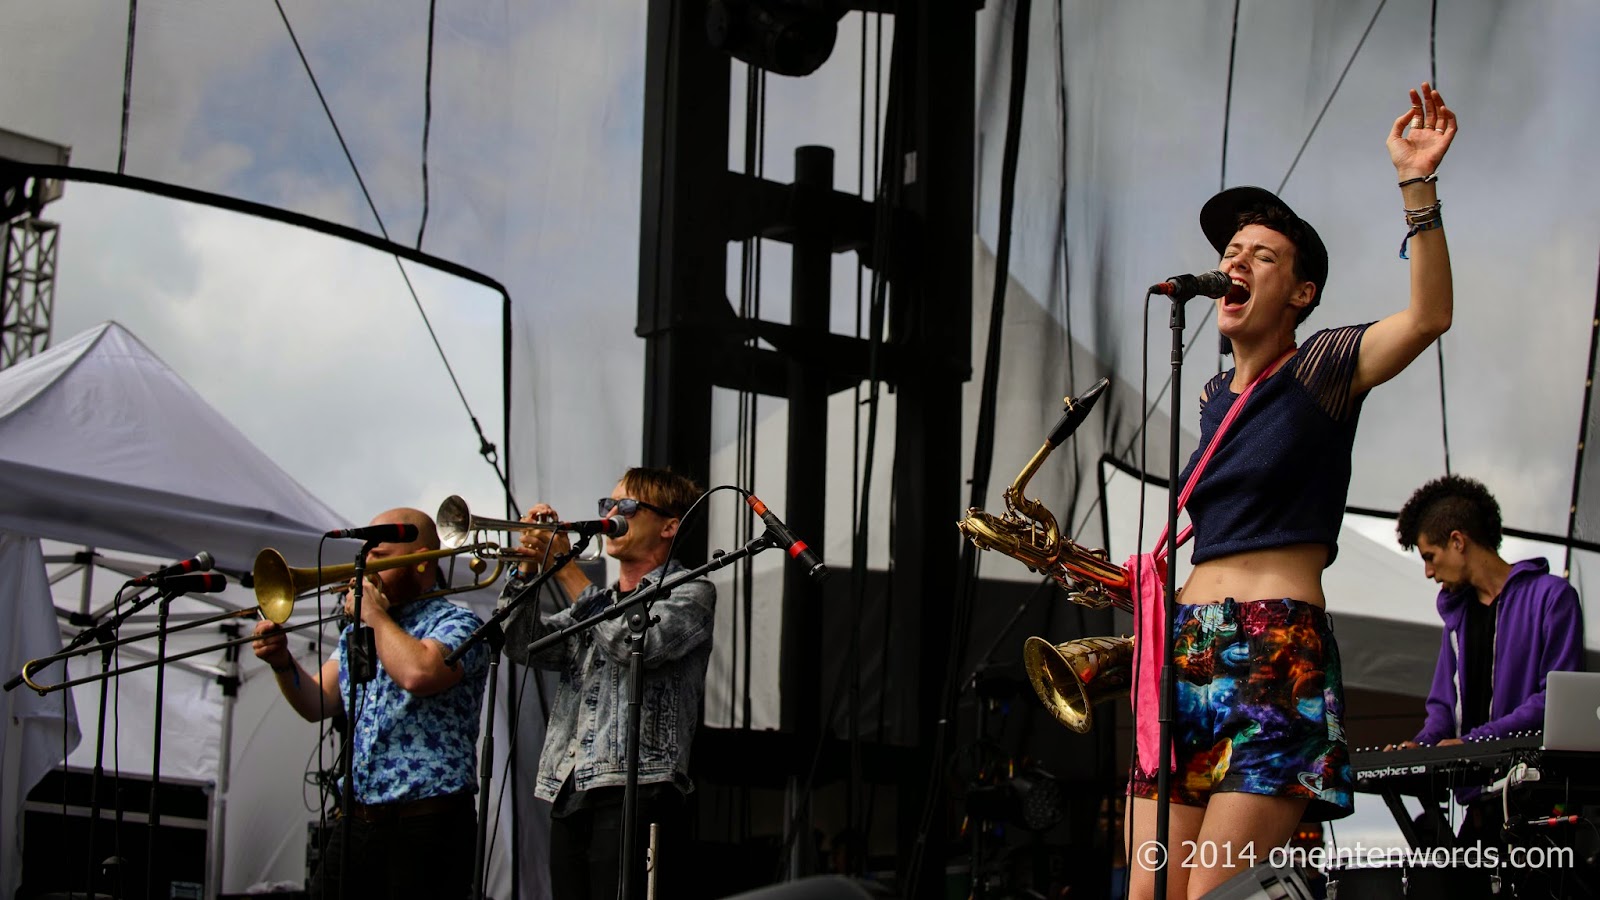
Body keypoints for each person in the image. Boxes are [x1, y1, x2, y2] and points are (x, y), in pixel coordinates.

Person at [1126, 82, 1458, 899]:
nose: (1234, 262)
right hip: (1185, 651)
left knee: (1214, 893)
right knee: (1150, 893)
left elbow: (1427, 318)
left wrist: (1416, 185)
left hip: (1273, 649)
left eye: (1261, 256)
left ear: (1301, 293)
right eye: (1231, 252)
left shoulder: (1322, 367)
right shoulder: (1212, 396)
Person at [251, 507, 489, 900]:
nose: (365, 567)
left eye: (379, 557)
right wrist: (282, 662)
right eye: (364, 556)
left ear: (422, 561)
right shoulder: (362, 630)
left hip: (428, 822)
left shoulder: (459, 622)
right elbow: (317, 702)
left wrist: (375, 616)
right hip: (358, 819)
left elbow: (420, 673)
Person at [500, 466, 715, 900]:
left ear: (669, 526)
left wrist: (566, 570)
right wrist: (525, 573)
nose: (612, 514)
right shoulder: (595, 603)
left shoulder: (691, 591)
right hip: (571, 786)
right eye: (608, 504)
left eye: (628, 506)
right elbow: (523, 646)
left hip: (639, 790)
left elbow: (634, 643)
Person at [1397, 474, 1584, 750]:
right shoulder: (1457, 617)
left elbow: (1556, 701)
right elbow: (1443, 709)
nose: (1428, 572)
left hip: (1530, 773)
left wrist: (1475, 741)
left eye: (1430, 556)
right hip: (1468, 777)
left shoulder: (1553, 597)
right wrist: (1419, 748)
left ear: (1457, 541)